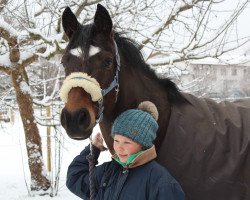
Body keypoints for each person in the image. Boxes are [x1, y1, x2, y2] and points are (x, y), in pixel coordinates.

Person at [66, 101, 185, 200]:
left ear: (143, 144)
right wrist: (93, 150)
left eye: (127, 142)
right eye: (116, 140)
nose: (119, 147)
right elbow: (75, 179)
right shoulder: (108, 171)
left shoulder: (160, 182)